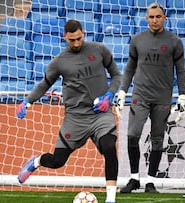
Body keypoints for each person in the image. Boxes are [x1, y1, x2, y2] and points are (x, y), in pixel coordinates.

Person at [16, 19, 121, 203]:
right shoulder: (59, 62)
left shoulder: (99, 50)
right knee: (57, 162)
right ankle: (37, 161)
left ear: (83, 34)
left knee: (109, 148)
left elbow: (116, 75)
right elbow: (44, 84)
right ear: (65, 37)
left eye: (79, 38)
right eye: (72, 40)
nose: (76, 43)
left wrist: (109, 95)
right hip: (75, 118)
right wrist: (27, 101)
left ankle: (111, 199)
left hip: (100, 114)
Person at [116, 3, 185, 193]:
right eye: (151, 17)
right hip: (140, 96)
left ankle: (150, 181)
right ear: (146, 18)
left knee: (157, 139)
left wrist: (182, 97)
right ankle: (134, 178)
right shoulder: (137, 40)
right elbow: (130, 67)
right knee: (132, 135)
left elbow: (180, 71)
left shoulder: (174, 42)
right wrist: (122, 91)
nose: (154, 20)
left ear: (165, 18)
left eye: (158, 16)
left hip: (162, 98)